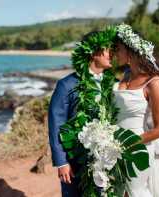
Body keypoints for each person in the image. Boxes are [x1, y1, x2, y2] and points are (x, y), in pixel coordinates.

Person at [112, 24, 159, 197]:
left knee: (135, 192)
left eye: (118, 49)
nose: (114, 53)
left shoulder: (154, 84)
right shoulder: (126, 76)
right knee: (119, 193)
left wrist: (128, 143)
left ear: (130, 51)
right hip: (114, 147)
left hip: (137, 148)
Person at [48, 31, 114, 197]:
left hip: (106, 158)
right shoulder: (67, 85)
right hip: (75, 160)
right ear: (93, 52)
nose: (111, 53)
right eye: (107, 49)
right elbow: (56, 124)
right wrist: (61, 162)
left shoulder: (114, 84)